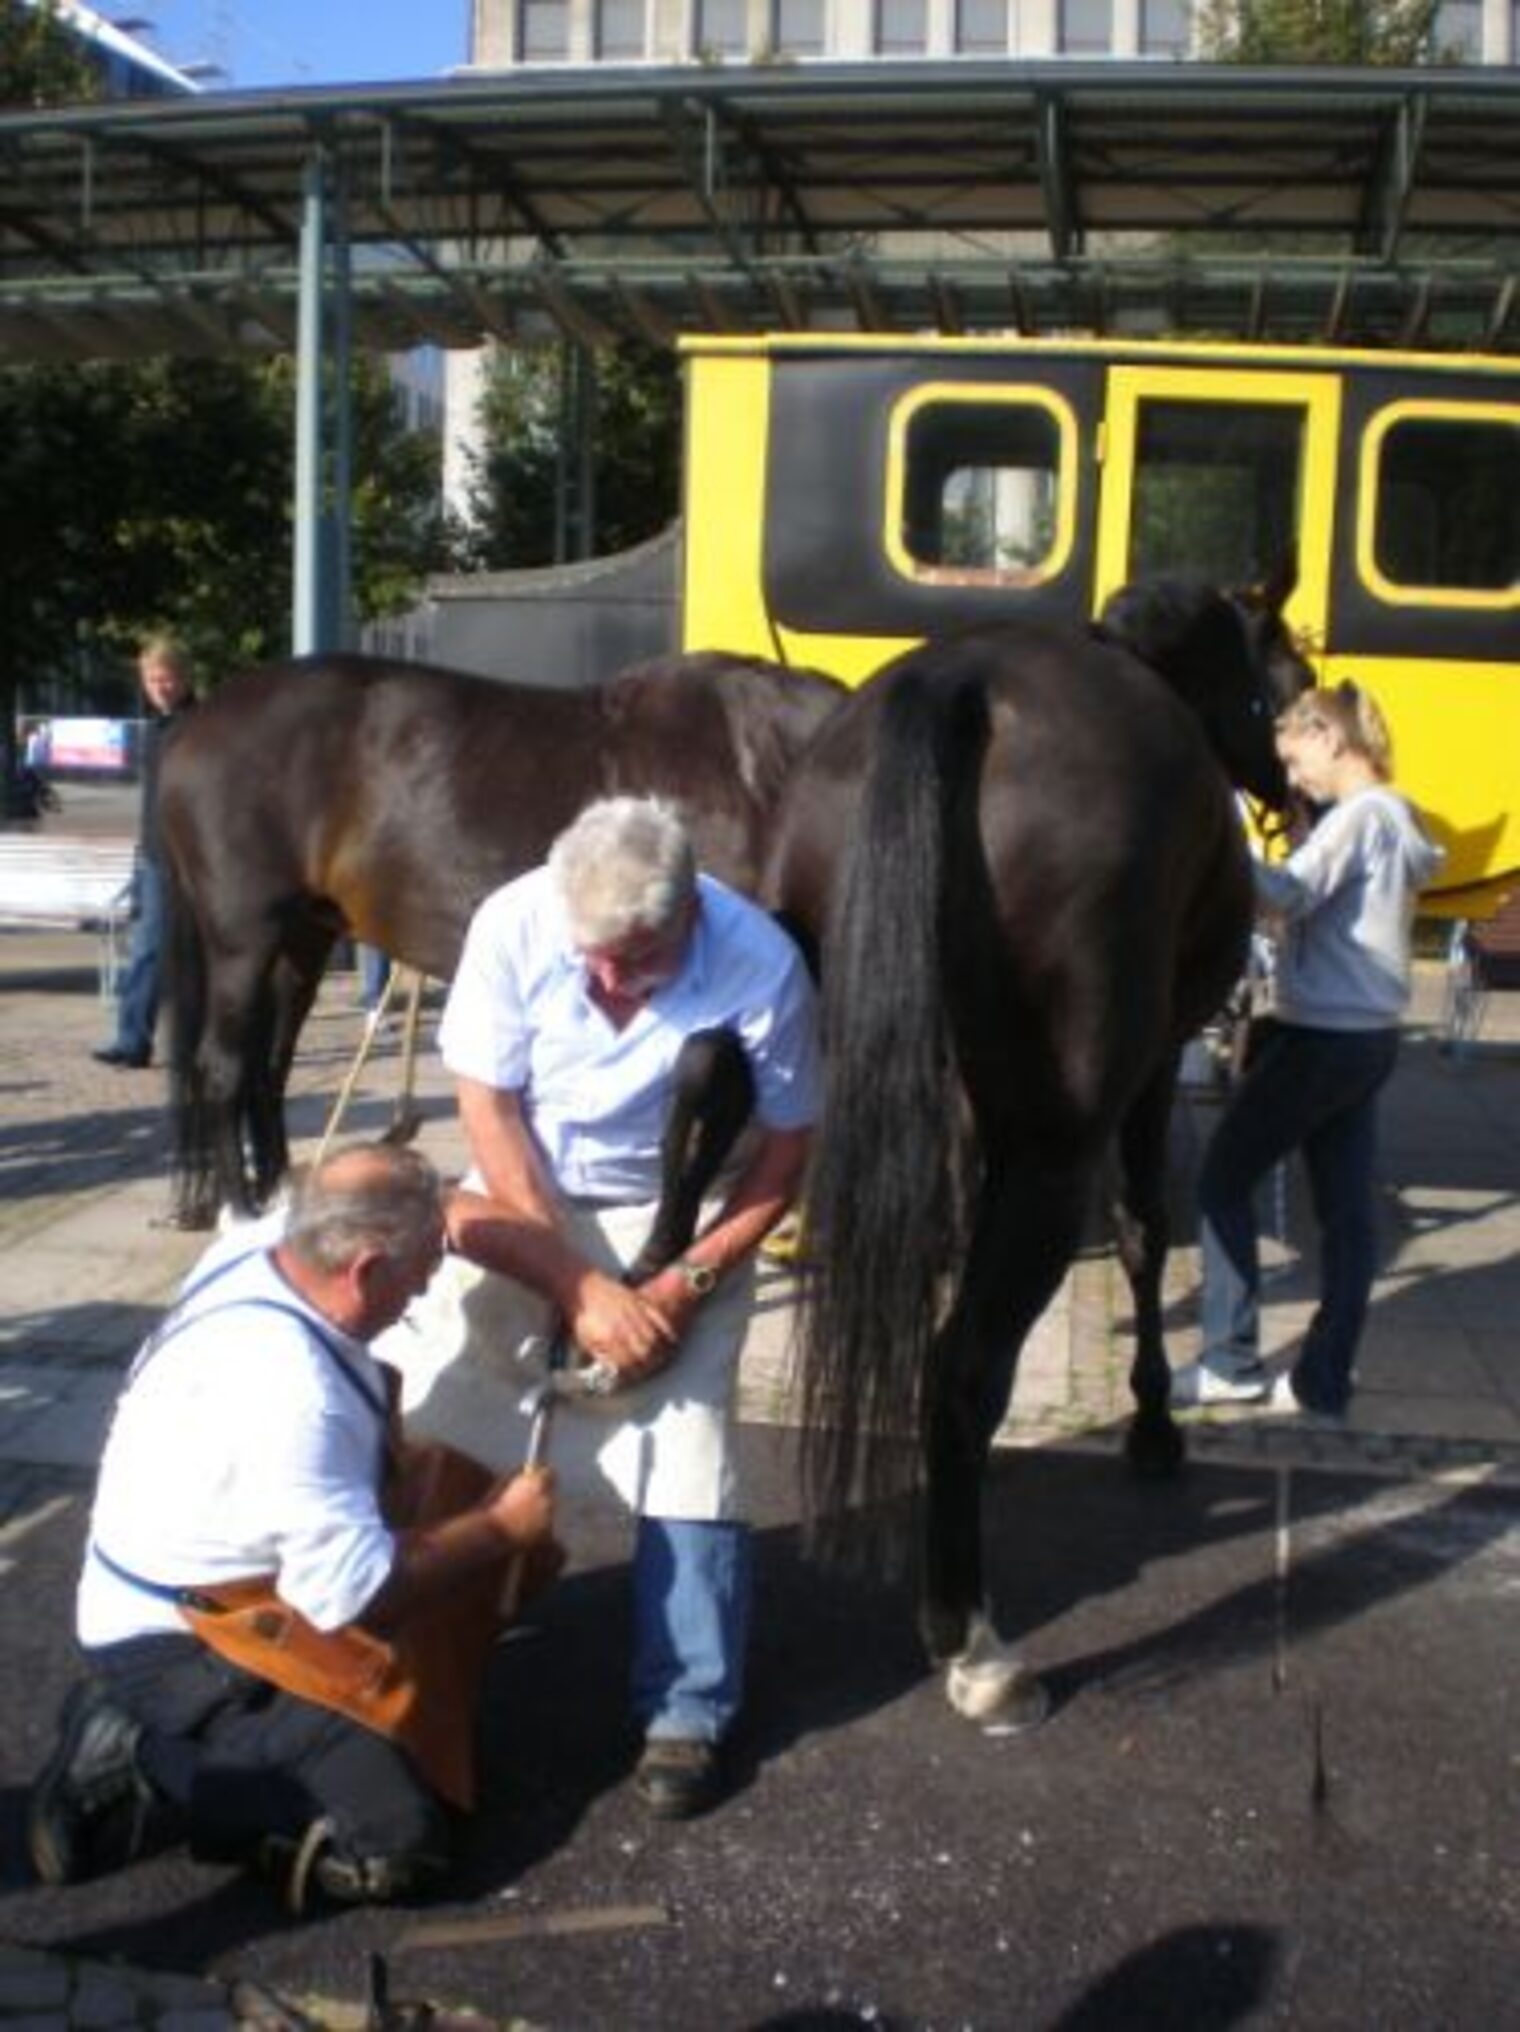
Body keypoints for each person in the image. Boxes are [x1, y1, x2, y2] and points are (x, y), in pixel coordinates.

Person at [385, 795, 820, 1820]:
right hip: (528, 1184)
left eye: (635, 962)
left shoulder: (757, 960)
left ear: (685, 920)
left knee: (687, 1445)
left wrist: (680, 1283)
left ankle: (685, 1707)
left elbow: (786, 1150)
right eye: (592, 961)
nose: (610, 984)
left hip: (682, 1212)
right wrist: (566, 1276)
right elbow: (486, 1101)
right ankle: (411, 1636)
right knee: (447, 1404)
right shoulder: (515, 921)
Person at [28, 1143, 560, 1910]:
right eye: (420, 1270)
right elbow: (358, 1592)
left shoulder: (269, 1239)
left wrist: (568, 1275)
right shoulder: (296, 1394)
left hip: (231, 1567)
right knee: (399, 1843)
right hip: (182, 1633)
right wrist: (502, 1528)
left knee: (445, 1492)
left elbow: (415, 1192)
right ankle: (136, 1745)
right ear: (366, 1270)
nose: (426, 1285)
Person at [1172, 682, 1444, 1422]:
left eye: (1296, 761)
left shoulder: (1358, 817)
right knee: (1349, 1216)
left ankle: (1229, 1360)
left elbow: (1288, 896)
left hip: (1319, 1034)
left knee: (1223, 1180)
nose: (1293, 779)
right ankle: (1324, 1380)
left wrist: (1217, 848)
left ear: (1331, 737)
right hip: (1368, 1037)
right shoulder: (1398, 817)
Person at [92, 635, 196, 1069]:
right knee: (148, 950)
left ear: (185, 678)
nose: (160, 687)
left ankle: (182, 1042)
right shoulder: (155, 730)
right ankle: (133, 1039)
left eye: (167, 678)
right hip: (154, 857)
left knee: (190, 955)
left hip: (191, 858)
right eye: (152, 680)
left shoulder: (200, 726)